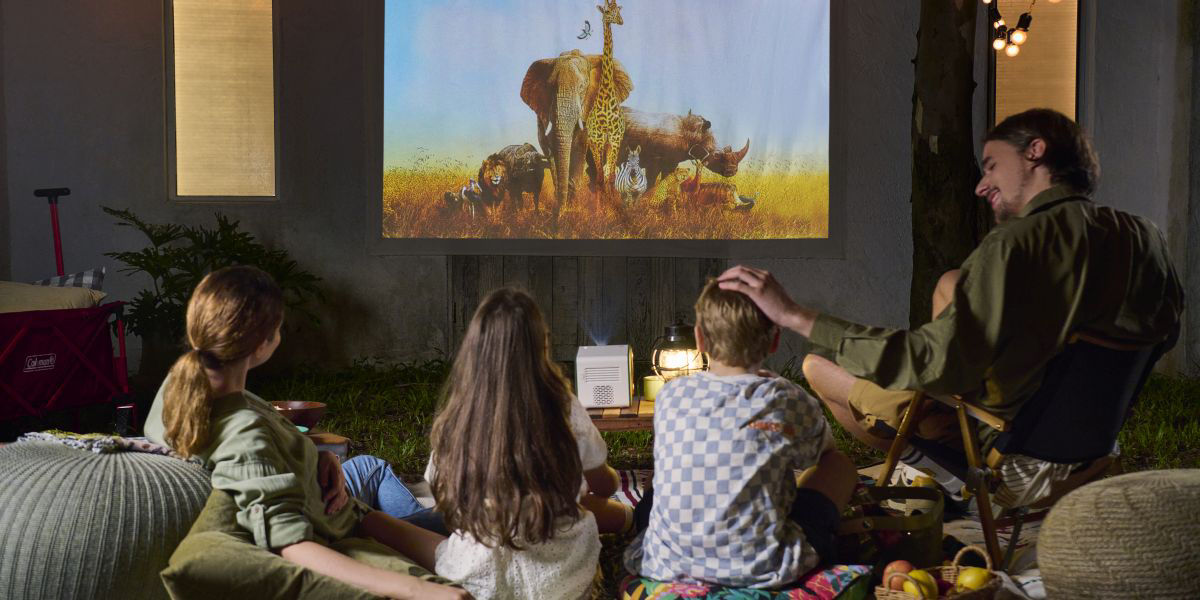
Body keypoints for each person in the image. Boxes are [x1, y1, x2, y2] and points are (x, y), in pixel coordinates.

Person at [719, 108, 1184, 507]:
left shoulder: (1017, 243)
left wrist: (795, 315)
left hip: (1012, 461)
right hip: (1093, 450)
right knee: (950, 285)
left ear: (1035, 152)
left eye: (991, 166)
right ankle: (940, 451)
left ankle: (944, 477)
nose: (982, 186)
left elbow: (929, 362)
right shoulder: (1143, 235)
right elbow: (1157, 338)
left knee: (818, 367)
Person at [157, 266, 469, 599]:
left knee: (379, 474)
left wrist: (312, 457)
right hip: (342, 523)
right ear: (264, 343)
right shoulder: (247, 433)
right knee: (473, 540)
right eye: (278, 329)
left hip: (345, 506)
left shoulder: (177, 391)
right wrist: (420, 590)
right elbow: (290, 545)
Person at [623, 279, 857, 589]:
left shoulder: (671, 394)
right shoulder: (786, 398)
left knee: (659, 482)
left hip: (666, 562)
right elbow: (823, 454)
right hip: (766, 565)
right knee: (839, 464)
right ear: (774, 341)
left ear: (700, 340)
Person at [426, 288, 624, 600]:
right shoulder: (562, 407)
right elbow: (604, 483)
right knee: (591, 510)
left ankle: (366, 521)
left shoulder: (457, 418)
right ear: (541, 346)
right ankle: (633, 520)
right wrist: (610, 483)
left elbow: (439, 488)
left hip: (478, 578)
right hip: (561, 579)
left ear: (475, 350)